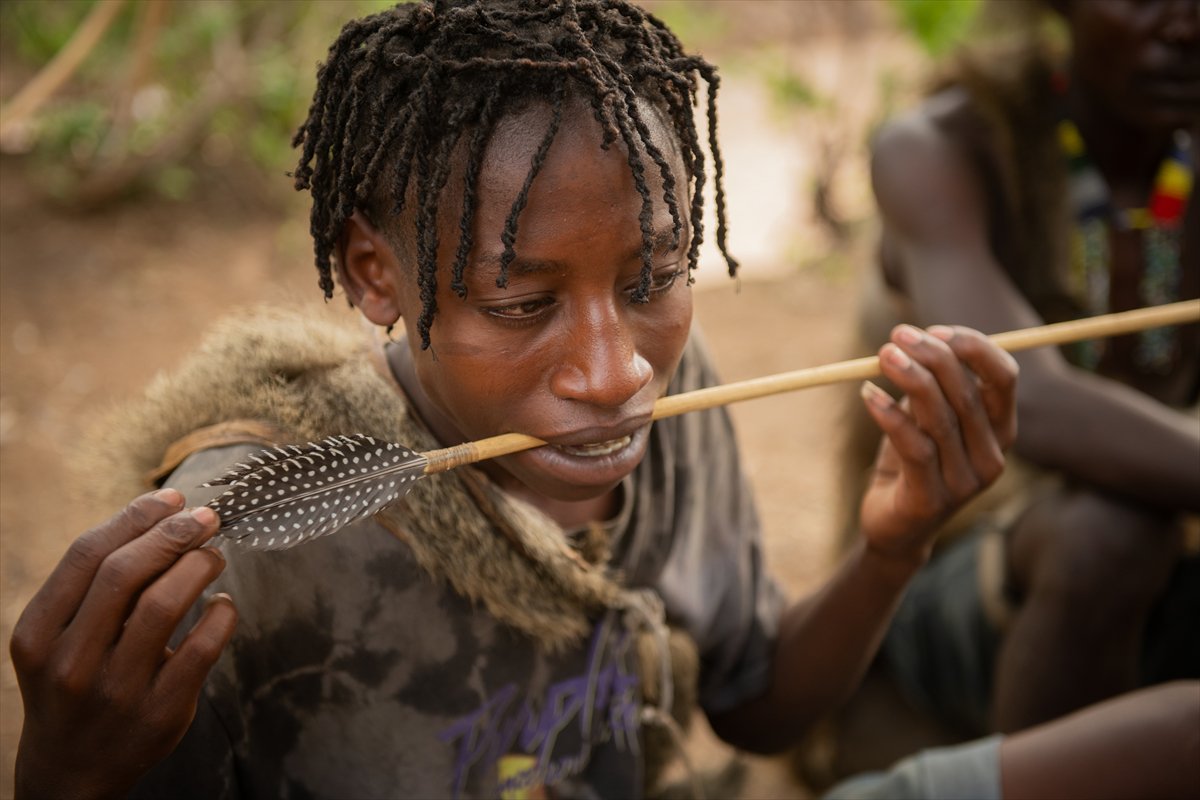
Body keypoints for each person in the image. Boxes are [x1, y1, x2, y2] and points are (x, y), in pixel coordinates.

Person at [6, 2, 1196, 799]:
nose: (616, 366)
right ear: (379, 273)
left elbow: (761, 705)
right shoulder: (245, 540)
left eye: (653, 279)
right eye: (524, 302)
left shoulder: (668, 412)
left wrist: (894, 548)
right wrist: (65, 772)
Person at [836, 0, 1200, 748]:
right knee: (1108, 534)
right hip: (949, 578)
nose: (1185, 25)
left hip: (1170, 561)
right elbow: (1023, 393)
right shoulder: (943, 149)